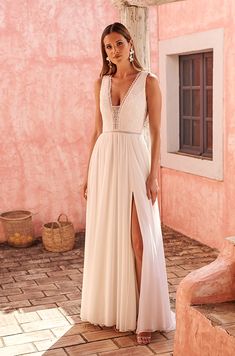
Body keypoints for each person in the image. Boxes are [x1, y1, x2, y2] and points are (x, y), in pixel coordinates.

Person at [80, 22, 175, 345]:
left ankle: (145, 317)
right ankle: (120, 309)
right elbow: (96, 130)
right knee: (110, 236)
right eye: (108, 47)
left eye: (119, 44)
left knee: (139, 240)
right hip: (105, 163)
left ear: (130, 44)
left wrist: (154, 174)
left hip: (135, 160)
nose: (114, 51)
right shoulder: (101, 83)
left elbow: (158, 131)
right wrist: (86, 173)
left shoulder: (149, 81)